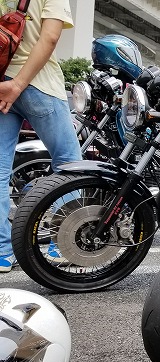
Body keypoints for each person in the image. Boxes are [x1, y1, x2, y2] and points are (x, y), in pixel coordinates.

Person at [0, 0, 81, 273]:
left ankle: (1, 253)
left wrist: (9, 85)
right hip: (38, 83)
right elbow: (50, 37)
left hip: (2, 83)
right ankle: (62, 244)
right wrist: (18, 85)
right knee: (70, 163)